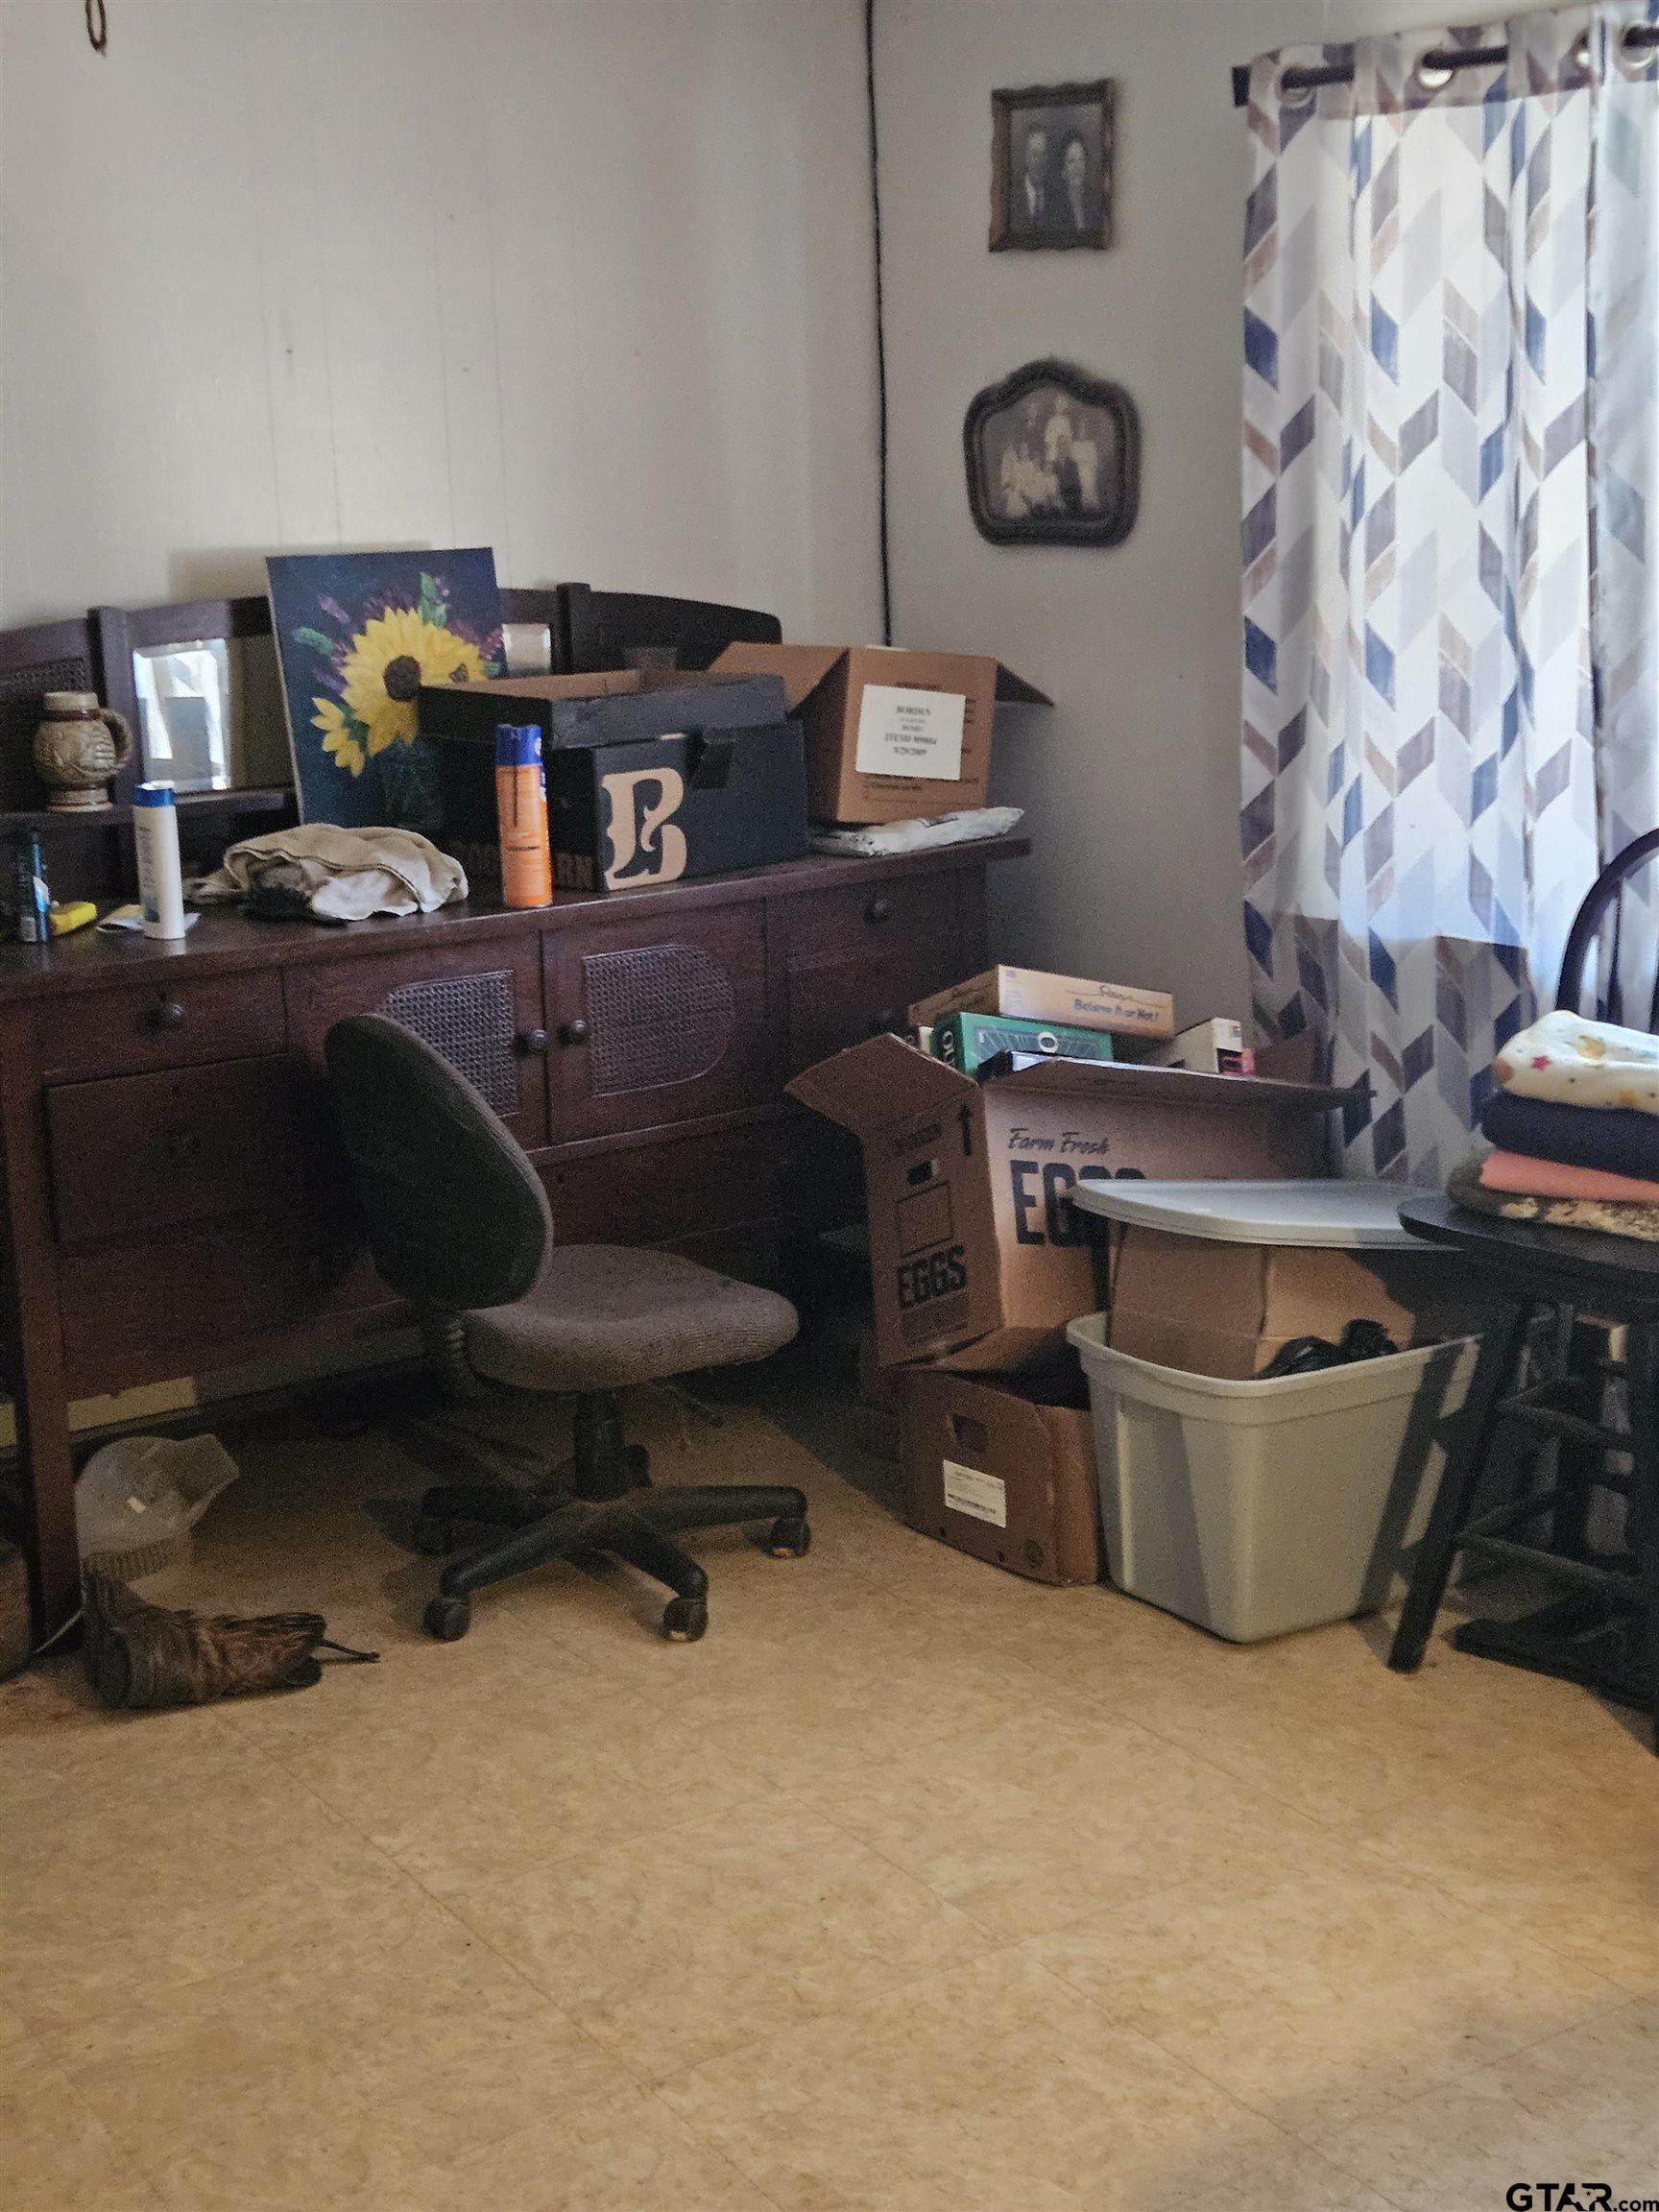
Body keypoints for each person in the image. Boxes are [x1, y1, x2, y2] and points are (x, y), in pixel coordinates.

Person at [1016, 122, 1053, 232]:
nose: (1039, 161)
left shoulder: (1056, 193)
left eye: (1043, 154)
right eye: (1034, 154)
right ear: (1026, 157)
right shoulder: (1012, 192)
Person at [1060, 132, 1094, 233]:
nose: (1077, 167)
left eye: (1081, 160)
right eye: (1071, 161)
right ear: (1063, 169)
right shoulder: (1055, 202)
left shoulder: (1093, 198)